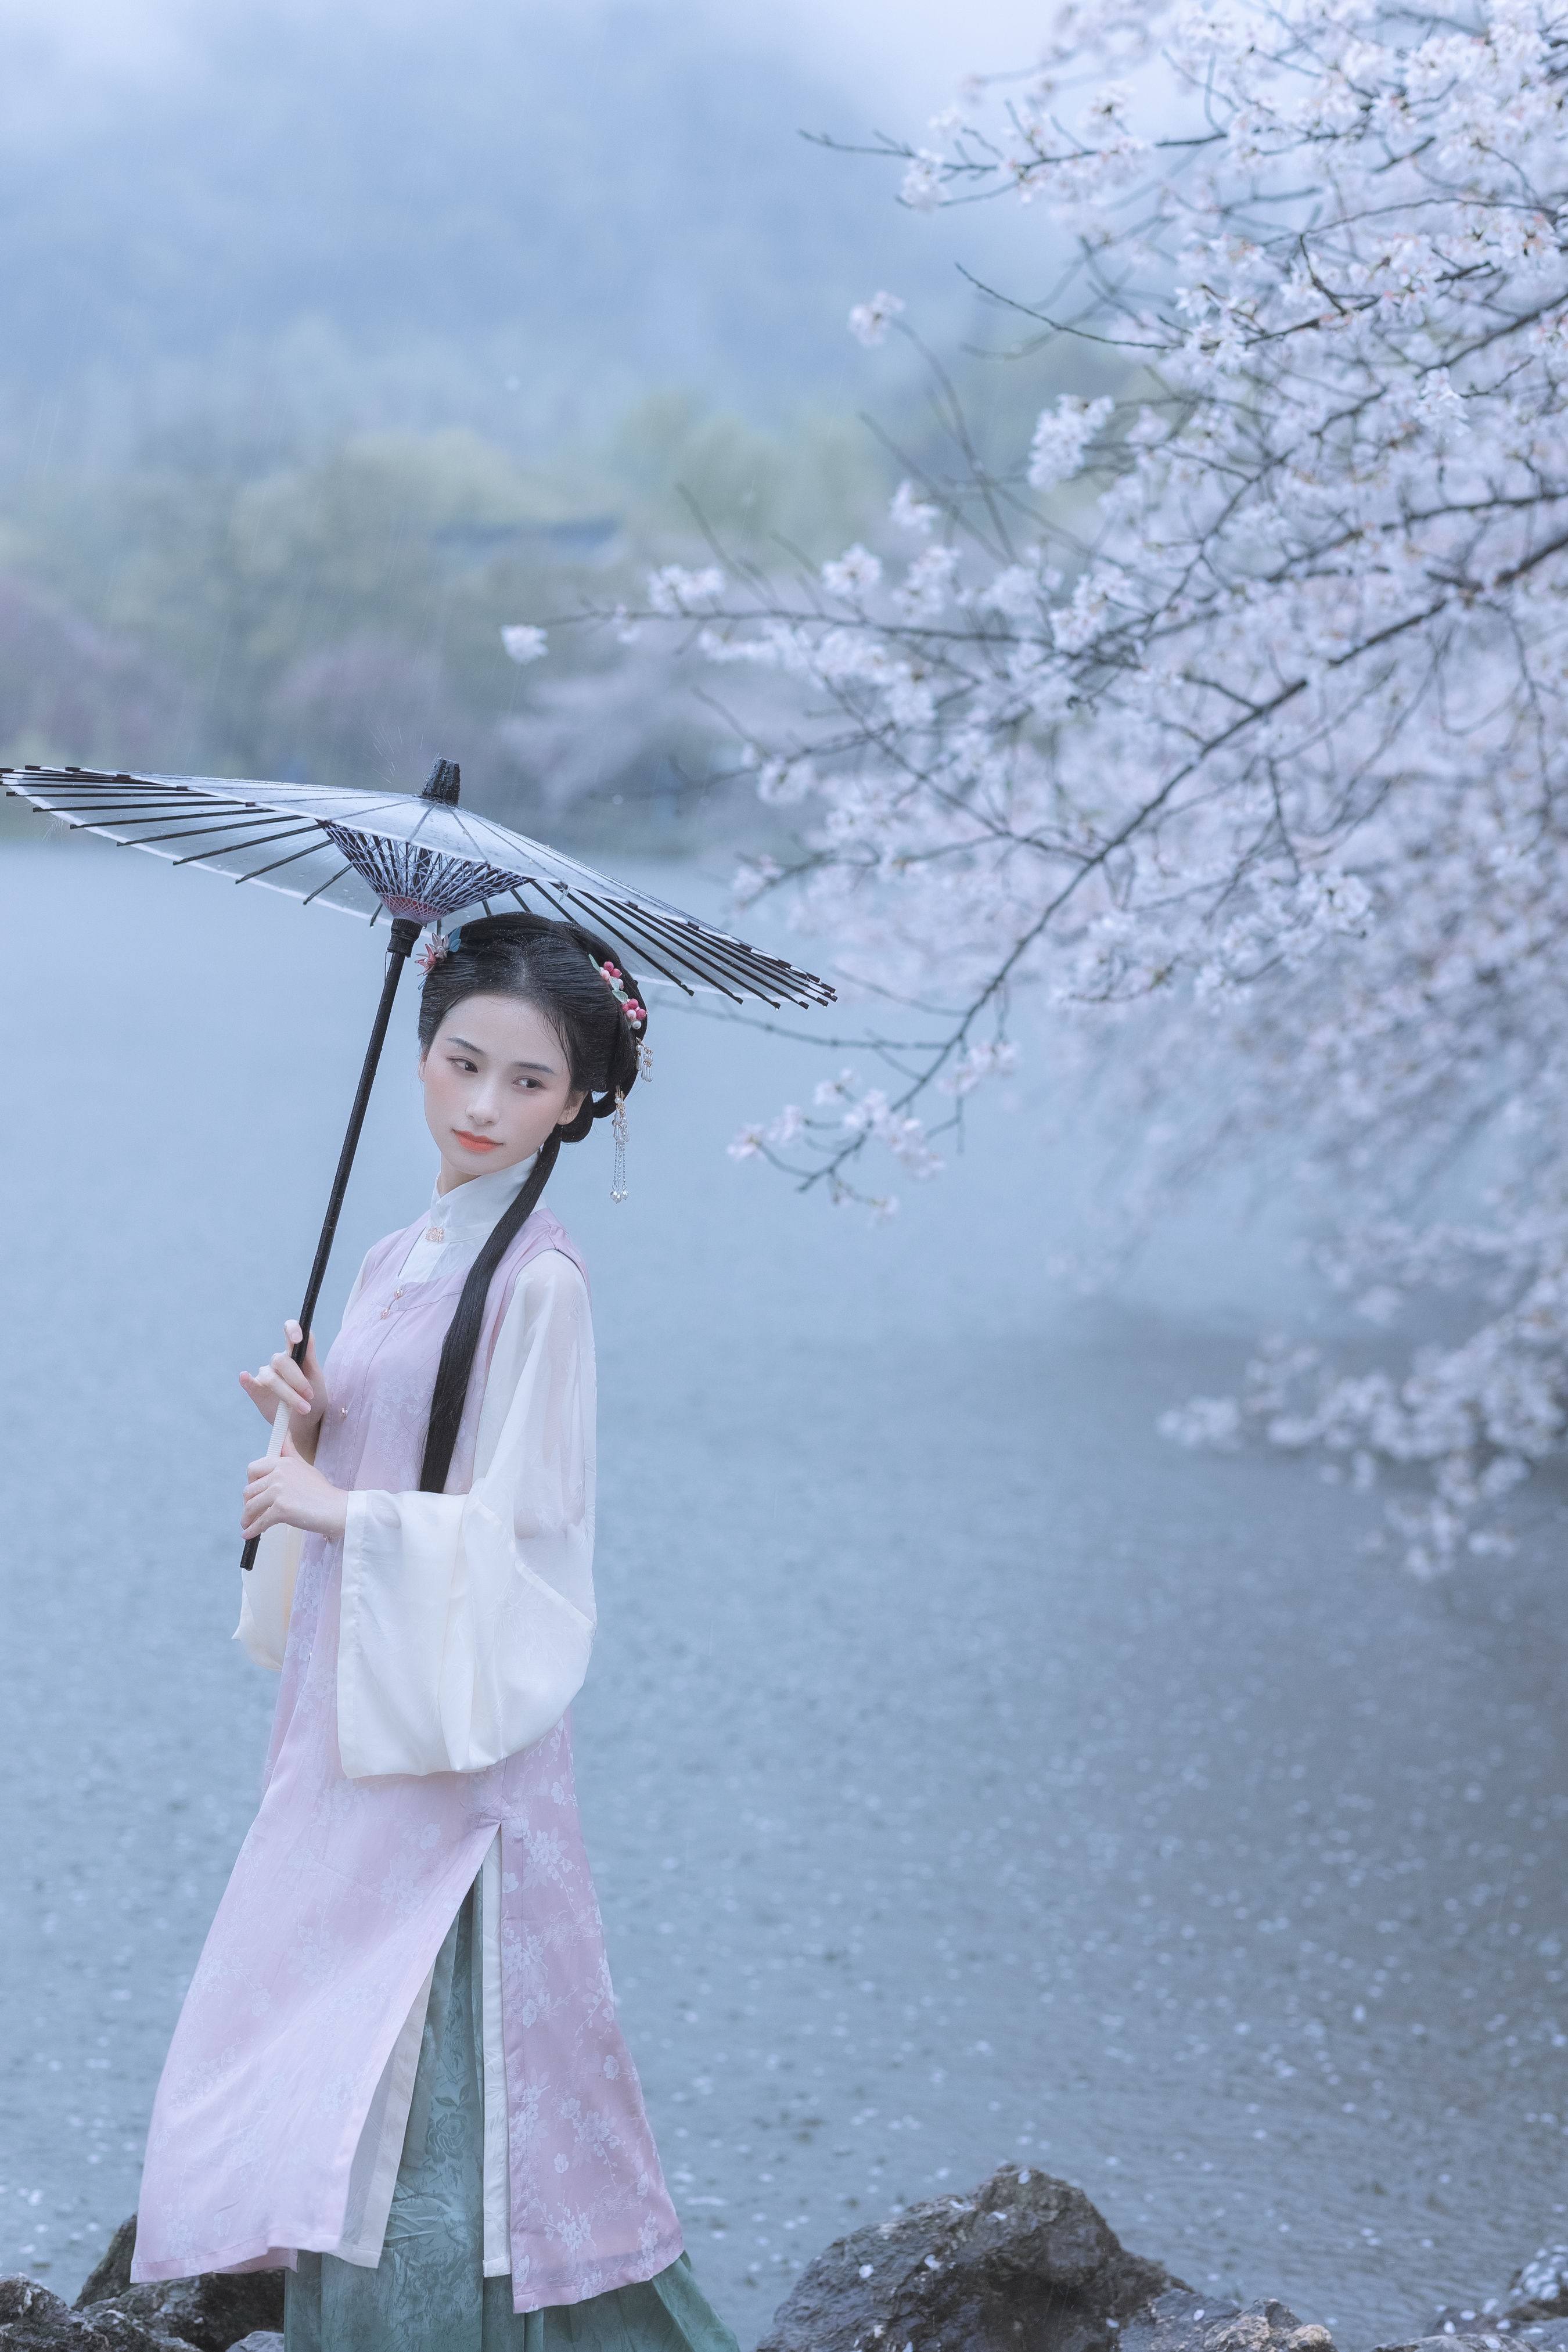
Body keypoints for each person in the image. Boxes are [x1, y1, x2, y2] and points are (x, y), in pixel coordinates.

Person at [130, 913, 736, 2352]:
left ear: (584, 1100)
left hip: (452, 1743)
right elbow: (399, 1463)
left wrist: (336, 1511)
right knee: (321, 2032)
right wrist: (309, 1421)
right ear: (420, 1052)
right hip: (362, 1712)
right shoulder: (402, 1255)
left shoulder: (541, 1286)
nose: (483, 1106)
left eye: (529, 1083)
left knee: (422, 2058)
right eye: (462, 1062)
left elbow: (527, 1539)